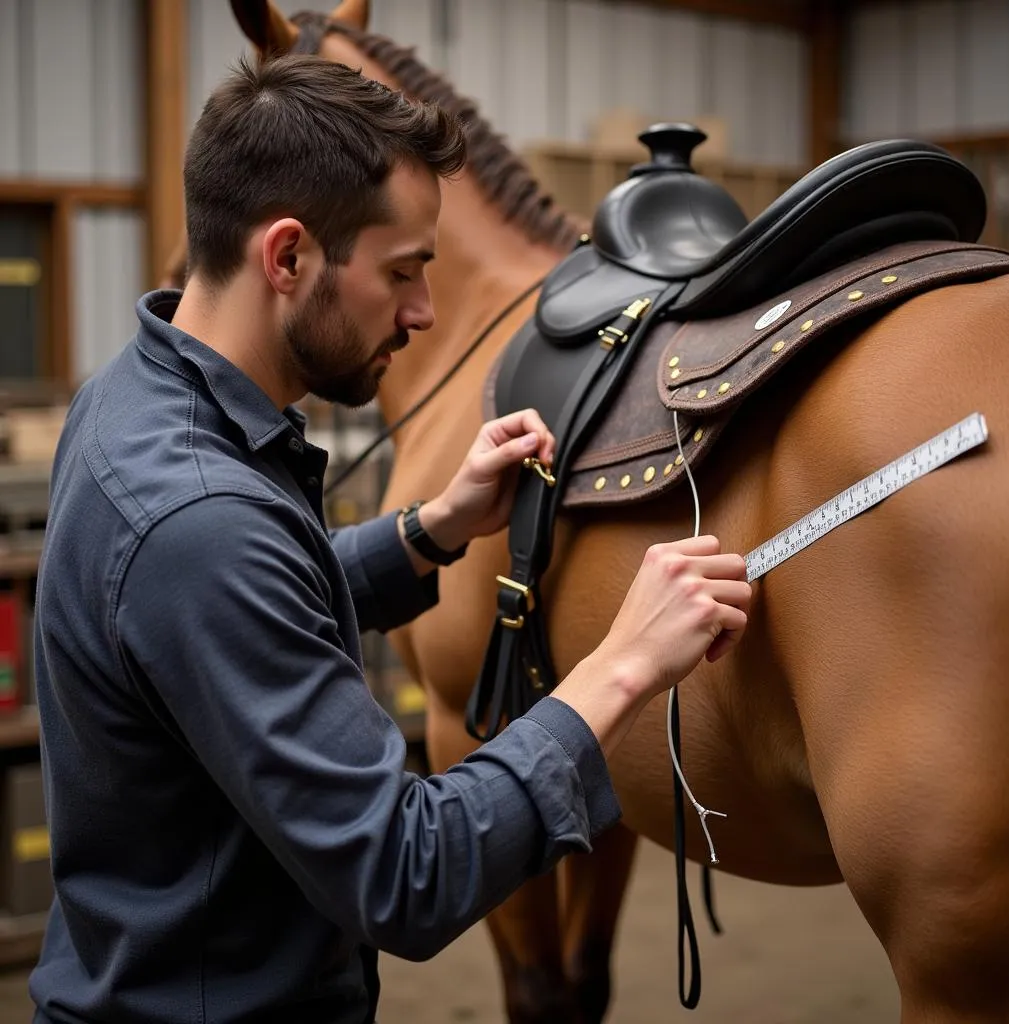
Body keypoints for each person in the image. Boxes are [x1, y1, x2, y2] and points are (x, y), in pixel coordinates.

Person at [29, 55, 751, 1024]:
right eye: (403, 271)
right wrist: (621, 665)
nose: (421, 310)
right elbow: (406, 873)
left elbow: (238, 616)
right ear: (286, 258)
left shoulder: (130, 400)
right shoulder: (198, 521)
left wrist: (429, 530)